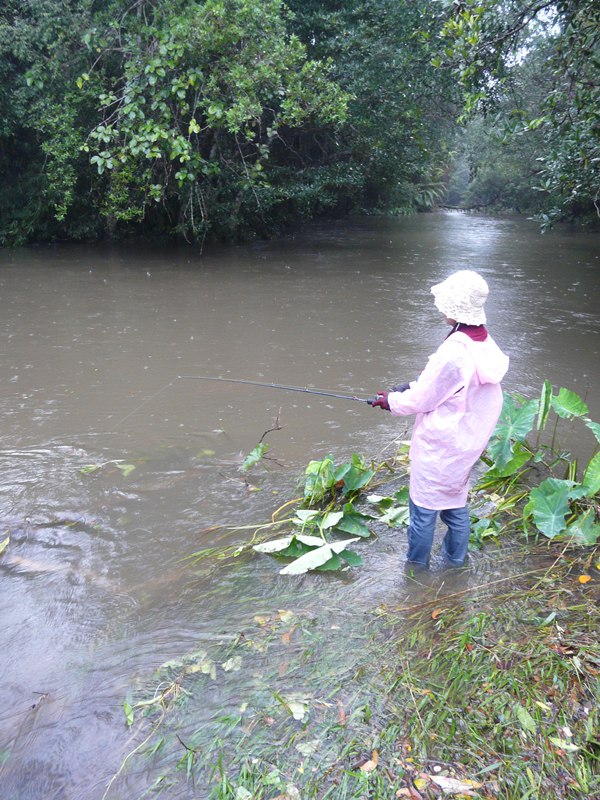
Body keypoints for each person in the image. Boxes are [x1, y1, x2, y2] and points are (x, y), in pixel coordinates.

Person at [371, 270, 509, 568]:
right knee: (455, 507)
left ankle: (416, 572)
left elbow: (423, 399)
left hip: (440, 446)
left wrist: (389, 400)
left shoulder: (455, 351)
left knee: (422, 511)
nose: (441, 309)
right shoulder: (484, 343)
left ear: (455, 308)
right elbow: (448, 384)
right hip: (466, 444)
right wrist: (412, 383)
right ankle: (455, 564)